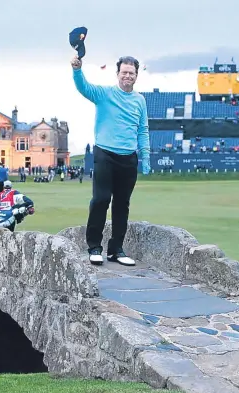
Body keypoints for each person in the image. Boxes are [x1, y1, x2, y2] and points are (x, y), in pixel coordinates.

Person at [71, 55, 151, 266]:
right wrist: (77, 70)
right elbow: (84, 88)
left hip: (129, 157)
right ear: (117, 74)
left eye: (131, 73)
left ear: (136, 76)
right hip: (105, 153)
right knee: (101, 199)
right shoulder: (104, 94)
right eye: (124, 72)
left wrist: (146, 154)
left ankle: (116, 250)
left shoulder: (140, 100)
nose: (127, 76)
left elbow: (142, 129)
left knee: (122, 204)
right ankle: (94, 247)